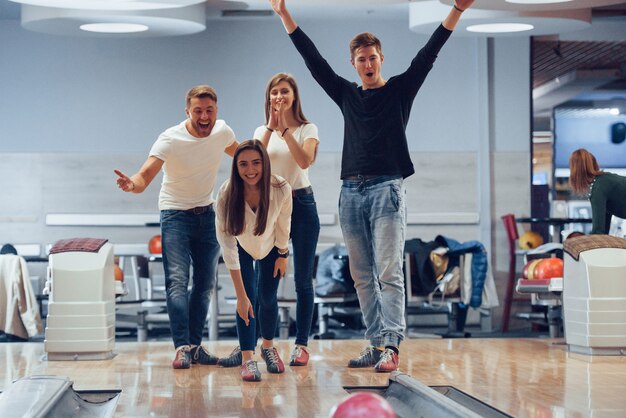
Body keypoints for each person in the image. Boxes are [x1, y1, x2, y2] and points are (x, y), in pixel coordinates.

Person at [269, 0, 475, 372]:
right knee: (362, 275)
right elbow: (313, 62)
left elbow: (429, 54)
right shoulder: (347, 94)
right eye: (361, 59)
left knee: (388, 272)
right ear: (353, 63)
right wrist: (284, 14)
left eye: (373, 58)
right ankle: (376, 342)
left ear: (381, 59)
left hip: (386, 190)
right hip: (350, 192)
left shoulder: (399, 90)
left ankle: (391, 347)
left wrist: (457, 10)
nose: (368, 64)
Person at [114, 85, 238, 369]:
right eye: (198, 111)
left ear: (216, 111)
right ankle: (182, 347)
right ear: (187, 112)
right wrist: (132, 184)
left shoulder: (223, 132)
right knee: (177, 282)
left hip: (207, 214)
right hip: (174, 215)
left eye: (209, 110)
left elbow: (244, 157)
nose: (204, 116)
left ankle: (195, 347)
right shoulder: (170, 139)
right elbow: (145, 175)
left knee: (205, 284)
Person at [217, 73, 320, 369]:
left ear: (294, 96)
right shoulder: (262, 130)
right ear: (269, 98)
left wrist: (285, 131)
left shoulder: (306, 128)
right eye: (274, 92)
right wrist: (271, 128)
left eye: (284, 91)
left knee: (301, 280)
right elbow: (250, 157)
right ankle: (251, 345)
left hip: (300, 202)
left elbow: (303, 161)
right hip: (266, 205)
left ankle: (301, 344)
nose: (279, 96)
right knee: (261, 287)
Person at [215, 139, 293, 382]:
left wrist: (283, 254)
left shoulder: (280, 188)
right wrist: (240, 294)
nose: (250, 170)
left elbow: (284, 225)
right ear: (236, 167)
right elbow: (227, 245)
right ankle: (247, 358)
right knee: (246, 301)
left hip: (271, 247)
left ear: (265, 163)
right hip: (241, 248)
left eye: (256, 163)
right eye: (243, 164)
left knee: (268, 299)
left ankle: (268, 347)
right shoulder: (227, 194)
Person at [569, 148, 626, 235]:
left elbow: (598, 231)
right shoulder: (604, 181)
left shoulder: (598, 188)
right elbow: (603, 232)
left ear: (576, 169)